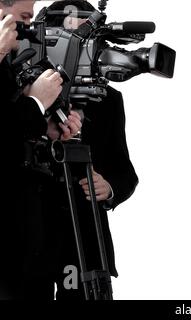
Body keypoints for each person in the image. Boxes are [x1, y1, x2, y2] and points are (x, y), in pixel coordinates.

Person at [26, 0, 138, 300]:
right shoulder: (19, 85)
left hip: (83, 241)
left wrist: (109, 187)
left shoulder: (108, 98)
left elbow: (125, 170)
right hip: (25, 238)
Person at [0, 0, 82, 299]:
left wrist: (44, 128)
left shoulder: (11, 60)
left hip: (27, 246)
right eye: (24, 16)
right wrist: (35, 104)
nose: (28, 27)